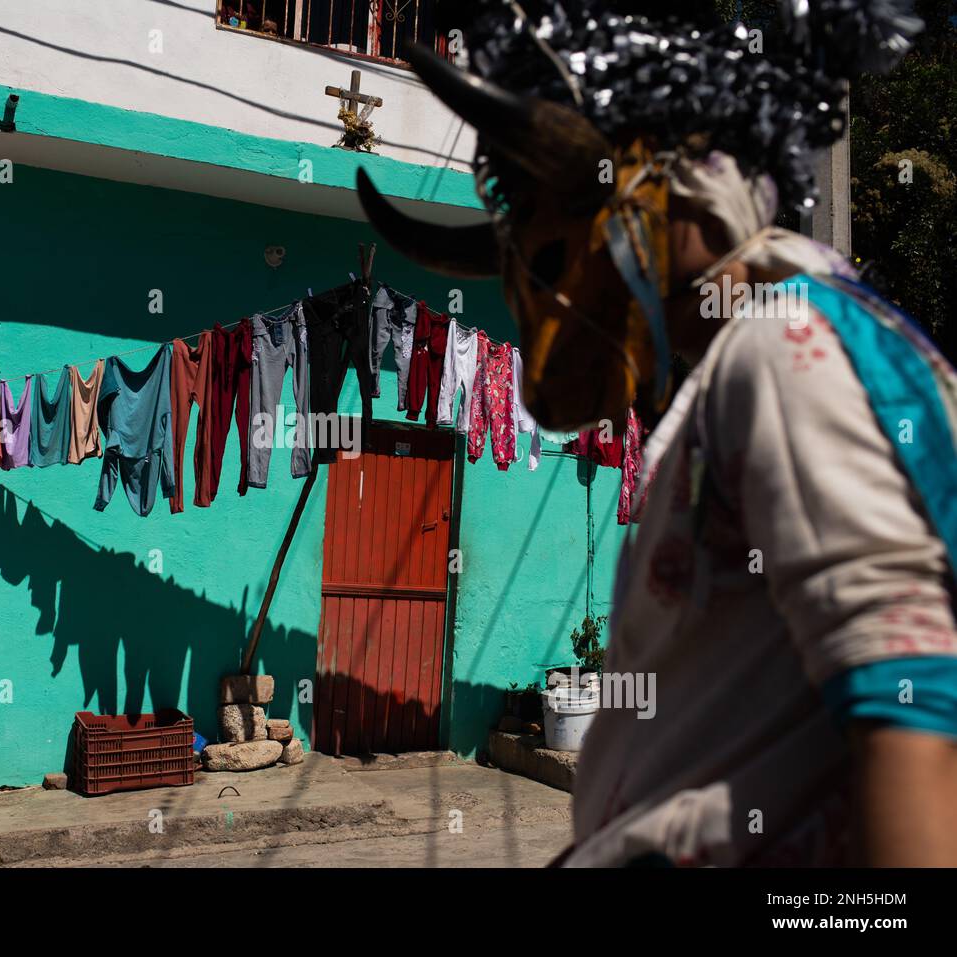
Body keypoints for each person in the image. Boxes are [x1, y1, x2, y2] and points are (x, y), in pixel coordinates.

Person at [359, 0, 957, 866]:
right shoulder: (733, 384)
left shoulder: (782, 348)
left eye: (555, 256)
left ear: (651, 190)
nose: (540, 364)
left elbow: (919, 723)